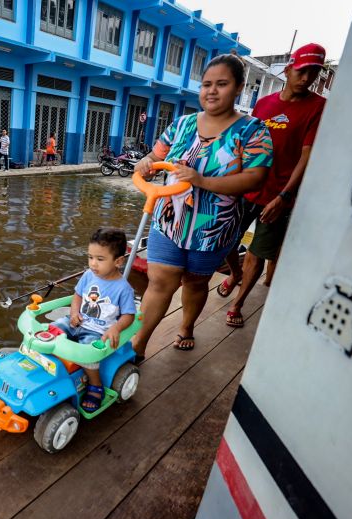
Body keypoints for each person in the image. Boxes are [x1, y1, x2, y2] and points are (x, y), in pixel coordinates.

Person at [131, 54, 273, 355]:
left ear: (238, 88)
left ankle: (186, 326)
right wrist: (147, 162)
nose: (211, 90)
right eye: (207, 84)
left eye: (221, 84)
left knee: (195, 284)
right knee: (159, 283)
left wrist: (202, 180)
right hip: (168, 220)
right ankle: (139, 345)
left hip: (213, 228)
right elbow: (155, 156)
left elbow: (256, 178)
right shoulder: (182, 124)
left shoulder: (253, 130)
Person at [220, 44, 327, 328]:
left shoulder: (318, 107)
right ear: (289, 69)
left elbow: (308, 154)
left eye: (313, 72)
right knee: (224, 240)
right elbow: (248, 144)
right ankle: (234, 274)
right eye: (302, 71)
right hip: (248, 187)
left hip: (280, 195)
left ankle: (237, 303)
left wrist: (284, 196)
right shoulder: (264, 104)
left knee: (258, 251)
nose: (306, 78)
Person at [51, 227, 136, 412]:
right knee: (51, 330)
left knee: (88, 354)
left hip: (97, 331)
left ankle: (95, 385)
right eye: (90, 257)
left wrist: (116, 328)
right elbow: (77, 296)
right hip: (77, 322)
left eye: (100, 259)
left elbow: (129, 315)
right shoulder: (89, 275)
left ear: (118, 261)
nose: (93, 264)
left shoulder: (123, 289)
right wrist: (74, 313)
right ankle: (49, 370)